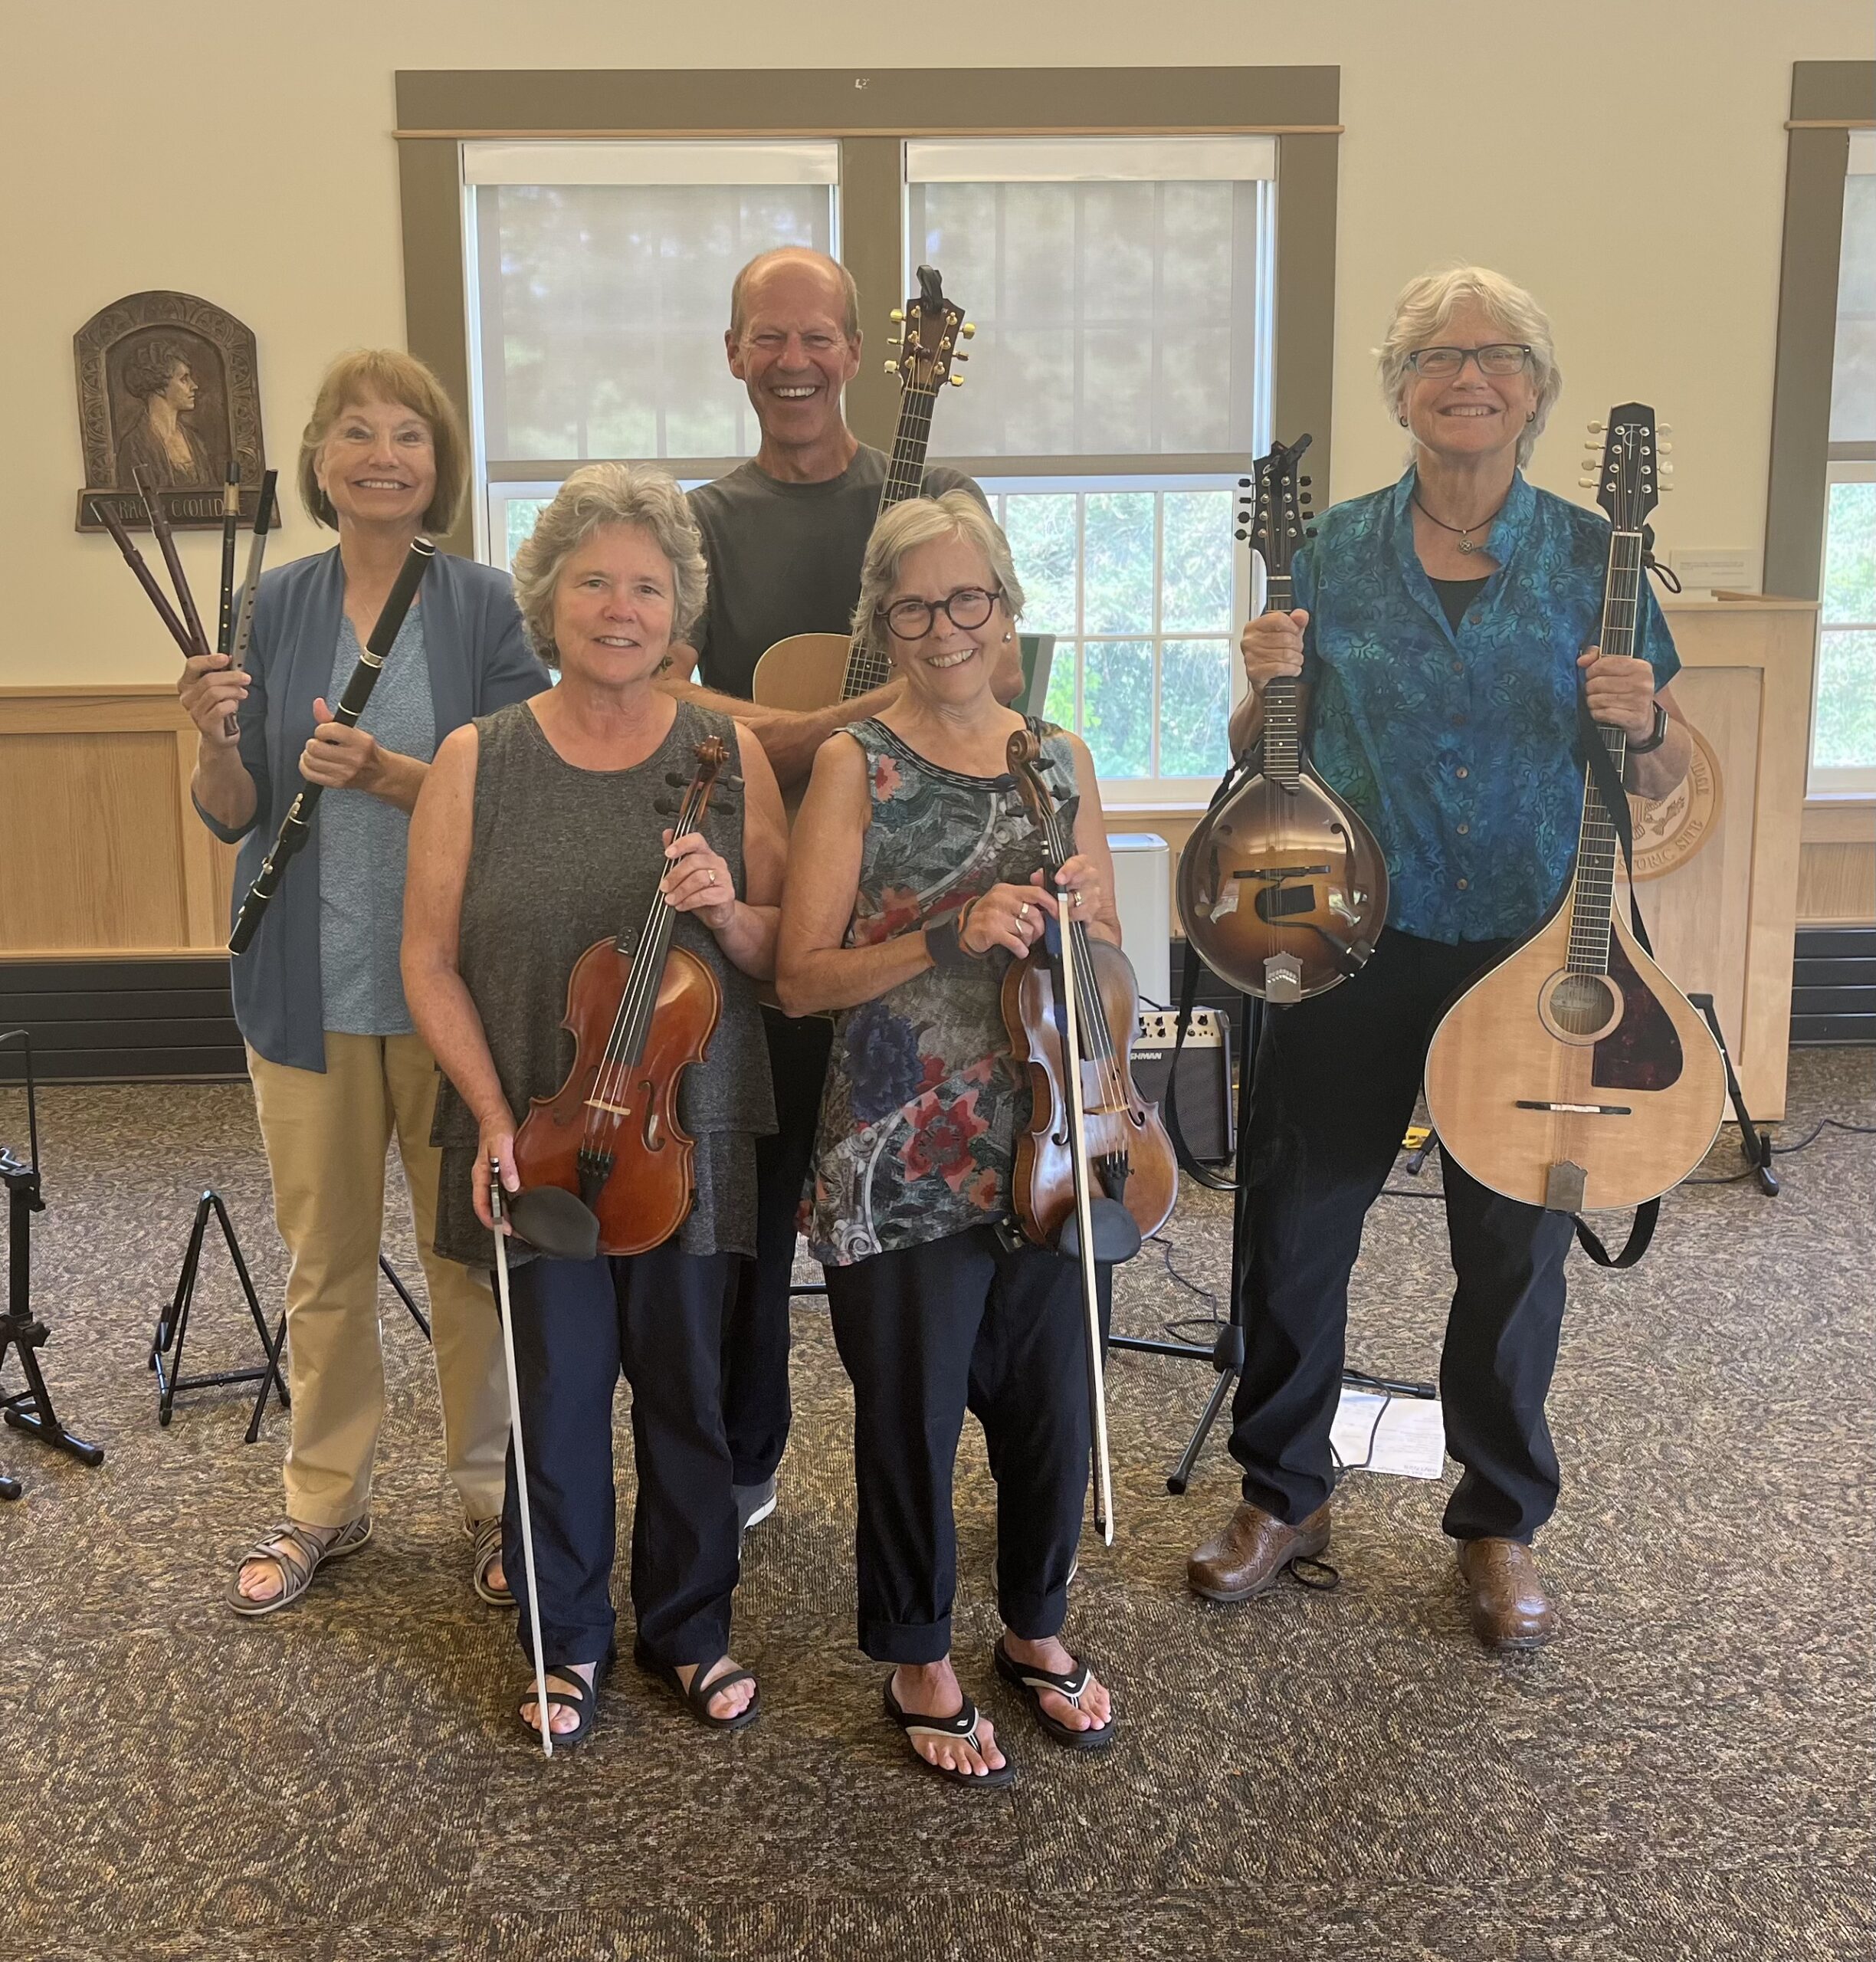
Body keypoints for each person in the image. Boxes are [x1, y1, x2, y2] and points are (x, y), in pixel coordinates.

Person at [1188, 266, 1697, 1650]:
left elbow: (1659, 776)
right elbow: (1260, 754)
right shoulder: (1331, 552)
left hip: (1532, 952)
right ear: (1399, 389)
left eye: (1497, 355)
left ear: (1536, 392)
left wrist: (1645, 718)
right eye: (1435, 355)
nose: (1467, 376)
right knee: (1297, 1227)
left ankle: (1497, 1520)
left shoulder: (1595, 558)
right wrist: (1260, 685)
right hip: (1353, 936)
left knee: (1513, 1247)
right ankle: (1282, 1492)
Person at [403, 462, 785, 1744]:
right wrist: (491, 1118)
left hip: (688, 1127)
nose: (621, 608)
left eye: (647, 587)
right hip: (543, 1132)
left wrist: (728, 905)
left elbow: (784, 949)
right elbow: (427, 960)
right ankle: (562, 1637)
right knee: (559, 1391)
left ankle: (688, 1626)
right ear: (548, 600)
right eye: (593, 582)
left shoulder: (728, 755)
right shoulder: (479, 759)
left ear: (678, 611)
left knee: (688, 1392)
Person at [183, 349, 547, 1619]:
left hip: (451, 995)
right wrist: (214, 738)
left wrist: (391, 774)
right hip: (307, 993)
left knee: (470, 1261)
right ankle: (323, 1501)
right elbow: (234, 810)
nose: (383, 454)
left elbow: (521, 791)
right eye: (356, 431)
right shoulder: (270, 604)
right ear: (321, 461)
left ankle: (495, 1500)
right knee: (324, 1263)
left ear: (439, 464)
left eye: (409, 434)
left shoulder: (485, 606)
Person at [661, 247, 1002, 1540]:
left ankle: (971, 1473)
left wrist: (815, 728)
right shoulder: (699, 523)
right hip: (758, 910)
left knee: (936, 1218)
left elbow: (985, 667)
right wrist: (851, 723)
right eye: (768, 336)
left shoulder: (937, 501)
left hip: (923, 921)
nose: (793, 360)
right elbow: (681, 705)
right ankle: (744, 1458)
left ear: (867, 354)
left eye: (818, 337)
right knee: (747, 1213)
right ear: (732, 353)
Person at [776, 493, 1117, 1786]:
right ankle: (916, 1655)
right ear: (883, 623)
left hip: (1050, 1132)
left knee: (1052, 1406)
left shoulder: (1062, 758)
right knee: (911, 1416)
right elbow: (800, 977)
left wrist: (1090, 916)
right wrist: (945, 932)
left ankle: (1035, 1624)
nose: (944, 627)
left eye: (967, 598)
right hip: (898, 1153)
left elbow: (1112, 959)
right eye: (913, 606)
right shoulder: (853, 765)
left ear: (1006, 606)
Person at [116, 336, 215, 487]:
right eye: (184, 379)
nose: (194, 386)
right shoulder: (134, 446)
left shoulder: (195, 440)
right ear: (159, 385)